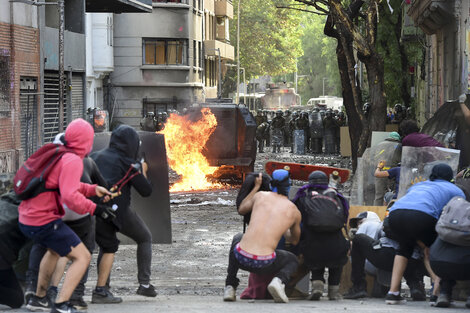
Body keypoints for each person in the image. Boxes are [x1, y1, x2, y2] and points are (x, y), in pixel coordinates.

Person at [19, 118, 113, 313]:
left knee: (54, 250)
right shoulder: (73, 160)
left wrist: (93, 189)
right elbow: (70, 197)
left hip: (29, 217)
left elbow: (64, 184)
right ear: (86, 141)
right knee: (83, 257)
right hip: (43, 219)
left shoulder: (59, 153)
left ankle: (39, 299)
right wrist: (96, 209)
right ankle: (62, 304)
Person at [385, 163, 466, 305]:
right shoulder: (455, 190)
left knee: (403, 250)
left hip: (395, 215)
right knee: (430, 251)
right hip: (422, 216)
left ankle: (393, 292)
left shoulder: (418, 185)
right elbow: (458, 213)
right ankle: (438, 292)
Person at [90, 124, 154, 302]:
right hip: (118, 211)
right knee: (144, 237)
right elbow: (146, 191)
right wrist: (144, 171)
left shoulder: (95, 156)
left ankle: (100, 289)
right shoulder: (129, 164)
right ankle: (144, 284)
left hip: (92, 210)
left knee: (105, 246)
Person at [223, 169, 301, 303]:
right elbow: (294, 240)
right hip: (265, 263)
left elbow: (242, 209)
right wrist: (281, 228)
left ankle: (230, 286)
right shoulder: (293, 210)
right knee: (292, 260)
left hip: (242, 258)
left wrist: (257, 187)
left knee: (238, 238)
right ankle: (278, 282)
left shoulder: (260, 196)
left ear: (271, 184)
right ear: (288, 187)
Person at [293, 171, 349, 301]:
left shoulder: (303, 195)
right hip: (336, 241)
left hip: (313, 240)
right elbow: (344, 218)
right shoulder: (337, 196)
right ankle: (333, 291)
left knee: (315, 261)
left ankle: (317, 286)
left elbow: (298, 218)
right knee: (336, 263)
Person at [344, 212, 426, 301]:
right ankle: (415, 287)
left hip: (387, 256)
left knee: (358, 238)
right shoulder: (423, 218)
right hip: (413, 261)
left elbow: (383, 232)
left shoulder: (392, 216)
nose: (358, 226)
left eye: (360, 223)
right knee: (409, 256)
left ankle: (358, 287)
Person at [0, 191, 29, 309]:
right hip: (3, 255)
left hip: (5, 259)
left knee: (17, 299)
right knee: (16, 299)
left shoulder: (15, 193)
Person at [371, 132, 402, 205]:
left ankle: (377, 212)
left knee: (379, 195)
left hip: (380, 171)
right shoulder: (398, 145)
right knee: (393, 194)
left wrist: (378, 167)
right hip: (392, 172)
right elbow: (401, 159)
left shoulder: (379, 145)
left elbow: (373, 158)